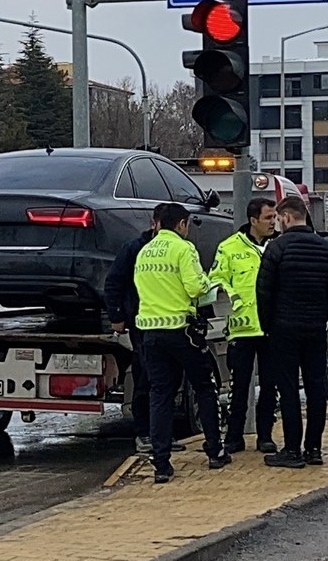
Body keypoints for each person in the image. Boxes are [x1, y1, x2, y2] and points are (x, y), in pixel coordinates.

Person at [134, 203, 230, 483]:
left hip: (150, 332)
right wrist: (208, 283)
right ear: (181, 224)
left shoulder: (144, 252)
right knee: (204, 387)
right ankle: (214, 450)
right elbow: (195, 288)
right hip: (182, 330)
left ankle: (161, 464)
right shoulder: (183, 249)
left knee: (160, 394)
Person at [256, 196, 328, 469]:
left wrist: (267, 325)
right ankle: (314, 449)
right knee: (316, 388)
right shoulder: (325, 249)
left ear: (286, 217)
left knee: (289, 388)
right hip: (314, 329)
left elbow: (263, 292)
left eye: (278, 218)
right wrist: (320, 315)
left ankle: (292, 450)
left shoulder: (276, 248)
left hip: (283, 329)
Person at [104, 203, 185, 455]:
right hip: (142, 323)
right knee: (145, 379)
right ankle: (143, 433)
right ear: (154, 224)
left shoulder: (177, 248)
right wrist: (117, 315)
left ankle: (162, 434)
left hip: (172, 323)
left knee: (169, 381)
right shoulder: (135, 249)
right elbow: (114, 282)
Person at [208, 197, 279, 455]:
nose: (273, 222)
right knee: (239, 387)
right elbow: (214, 280)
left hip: (272, 327)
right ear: (253, 220)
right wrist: (232, 297)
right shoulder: (229, 247)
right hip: (241, 328)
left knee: (270, 386)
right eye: (268, 218)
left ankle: (265, 437)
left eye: (275, 217)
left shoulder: (279, 245)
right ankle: (234, 437)